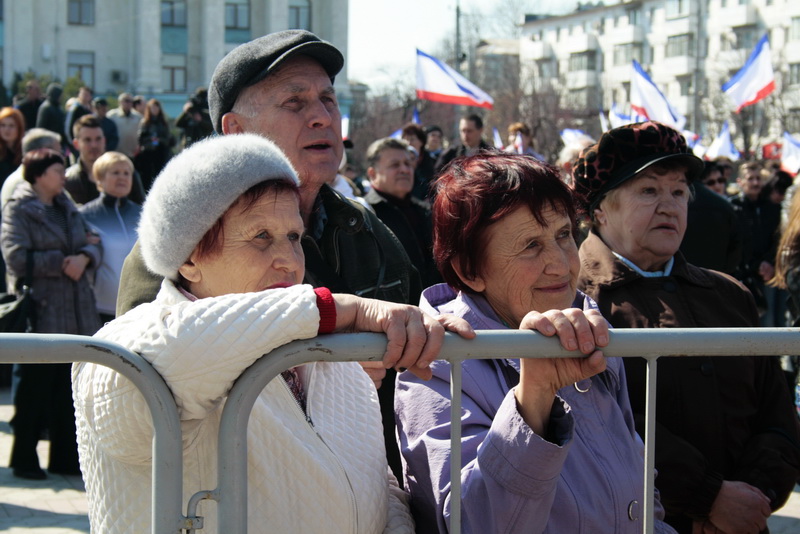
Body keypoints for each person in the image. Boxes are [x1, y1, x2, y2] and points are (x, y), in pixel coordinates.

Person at [73, 133, 471, 533]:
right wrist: (344, 308)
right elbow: (164, 353)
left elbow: (375, 483)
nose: (288, 261)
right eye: (261, 237)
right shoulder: (123, 347)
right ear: (189, 258)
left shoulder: (325, 352)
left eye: (294, 237)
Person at [116, 30, 422, 482]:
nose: (321, 117)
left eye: (328, 100)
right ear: (235, 131)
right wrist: (325, 372)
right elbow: (144, 385)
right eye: (294, 103)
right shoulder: (181, 245)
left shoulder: (367, 229)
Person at [396, 151, 675, 533]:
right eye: (530, 245)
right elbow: (475, 523)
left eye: (563, 235)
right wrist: (533, 399)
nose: (561, 263)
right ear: (470, 270)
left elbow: (639, 486)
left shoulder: (589, 326)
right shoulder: (437, 363)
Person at [572, 121, 800, 533]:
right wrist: (709, 499)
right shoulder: (572, 301)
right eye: (649, 190)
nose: (669, 205)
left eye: (678, 191)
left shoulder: (729, 295)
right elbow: (601, 427)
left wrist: (750, 498)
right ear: (600, 209)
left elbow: (777, 416)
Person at [2, 148, 101, 480]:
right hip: (42, 311)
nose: (64, 176)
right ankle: (24, 459)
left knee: (66, 391)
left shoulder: (67, 205)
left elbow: (94, 241)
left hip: (75, 310)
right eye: (58, 170)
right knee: (33, 390)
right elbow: (16, 258)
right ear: (40, 174)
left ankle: (65, 459)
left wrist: (84, 258)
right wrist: (63, 261)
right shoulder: (19, 209)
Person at [364, 137, 440, 291]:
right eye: (394, 165)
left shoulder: (427, 211)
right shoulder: (364, 215)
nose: (404, 170)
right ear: (372, 174)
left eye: (408, 164)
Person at [79, 152, 140, 323]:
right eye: (115, 172)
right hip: (99, 308)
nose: (122, 177)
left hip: (139, 308)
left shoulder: (144, 214)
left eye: (126, 173)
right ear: (99, 178)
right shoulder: (84, 216)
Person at [730, 160, 781, 322]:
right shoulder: (733, 207)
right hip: (743, 274)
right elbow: (735, 243)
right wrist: (752, 265)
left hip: (768, 273)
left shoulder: (771, 208)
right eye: (750, 178)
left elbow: (778, 238)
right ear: (740, 182)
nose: (755, 183)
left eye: (758, 178)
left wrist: (768, 262)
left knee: (771, 320)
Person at [679, 160, 742, 275]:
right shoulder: (679, 203)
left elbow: (738, 247)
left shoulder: (728, 208)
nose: (717, 186)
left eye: (721, 180)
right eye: (711, 182)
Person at [135, 98, 174, 192]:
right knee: (147, 176)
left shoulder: (163, 123)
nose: (155, 110)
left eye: (156, 108)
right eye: (152, 108)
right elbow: (141, 138)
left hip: (161, 153)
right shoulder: (145, 122)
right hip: (148, 152)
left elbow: (168, 138)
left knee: (160, 174)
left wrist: (160, 140)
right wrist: (150, 139)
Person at [400, 123, 435, 201]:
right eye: (405, 139)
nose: (408, 143)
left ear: (421, 142)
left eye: (412, 139)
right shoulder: (399, 160)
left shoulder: (431, 161)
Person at [107, 92, 142, 159]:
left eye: (131, 101)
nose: (129, 103)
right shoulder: (112, 116)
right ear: (120, 102)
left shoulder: (138, 117)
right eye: (126, 101)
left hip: (133, 154)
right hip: (116, 154)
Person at [36, 83, 68, 154]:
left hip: (58, 143)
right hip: (48, 145)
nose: (61, 97)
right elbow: (40, 128)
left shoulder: (57, 108)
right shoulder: (45, 108)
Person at [0, 107, 24, 183]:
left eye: (11, 126)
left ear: (19, 128)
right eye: (3, 125)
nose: (6, 130)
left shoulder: (25, 151)